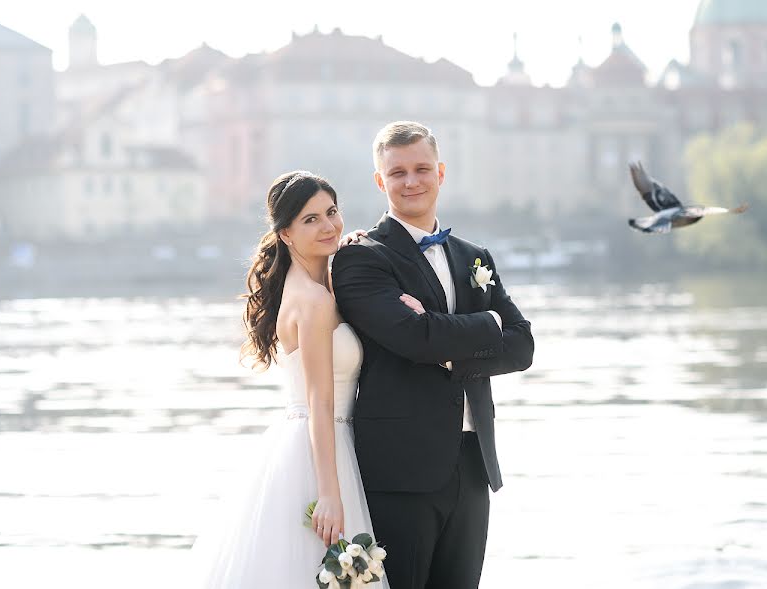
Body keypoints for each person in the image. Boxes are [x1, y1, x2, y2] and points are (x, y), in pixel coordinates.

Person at [332, 121, 534, 588]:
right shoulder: (362, 257)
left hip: (473, 460)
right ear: (380, 181)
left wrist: (447, 352)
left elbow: (521, 346)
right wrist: (487, 327)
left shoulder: (474, 256)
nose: (411, 181)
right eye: (397, 172)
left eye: (422, 168)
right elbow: (412, 338)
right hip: (400, 466)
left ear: (440, 173)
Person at [186, 171, 390, 588]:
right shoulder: (312, 301)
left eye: (331, 213)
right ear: (286, 235)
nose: (328, 226)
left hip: (317, 441)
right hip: (318, 452)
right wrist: (330, 496)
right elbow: (320, 401)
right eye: (310, 220)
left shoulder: (318, 286)